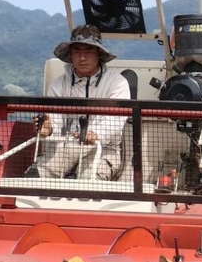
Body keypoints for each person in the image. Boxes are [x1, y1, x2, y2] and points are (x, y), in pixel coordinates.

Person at [34, 24, 131, 180]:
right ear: (70, 55)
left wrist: (96, 134)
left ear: (99, 53)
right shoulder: (58, 85)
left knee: (88, 181)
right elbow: (55, 119)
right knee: (38, 176)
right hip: (65, 146)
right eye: (77, 52)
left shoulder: (117, 83)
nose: (82, 57)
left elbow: (116, 121)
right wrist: (49, 128)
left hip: (104, 148)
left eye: (88, 51)